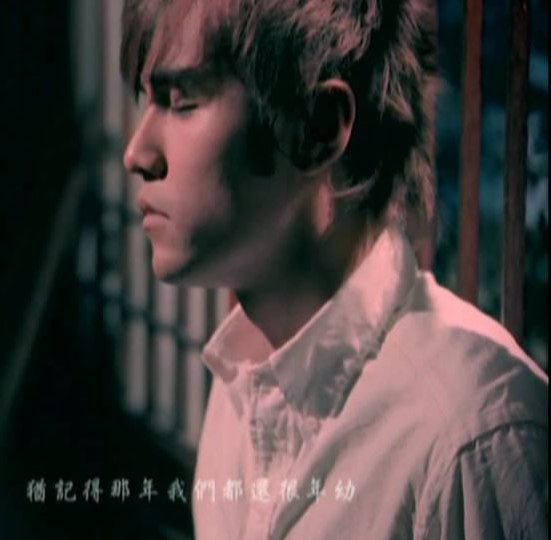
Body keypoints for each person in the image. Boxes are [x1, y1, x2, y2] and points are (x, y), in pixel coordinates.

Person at [120, 0, 548, 538]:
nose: (137, 153)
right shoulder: (241, 391)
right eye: (148, 100)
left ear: (318, 128)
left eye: (181, 101)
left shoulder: (472, 436)